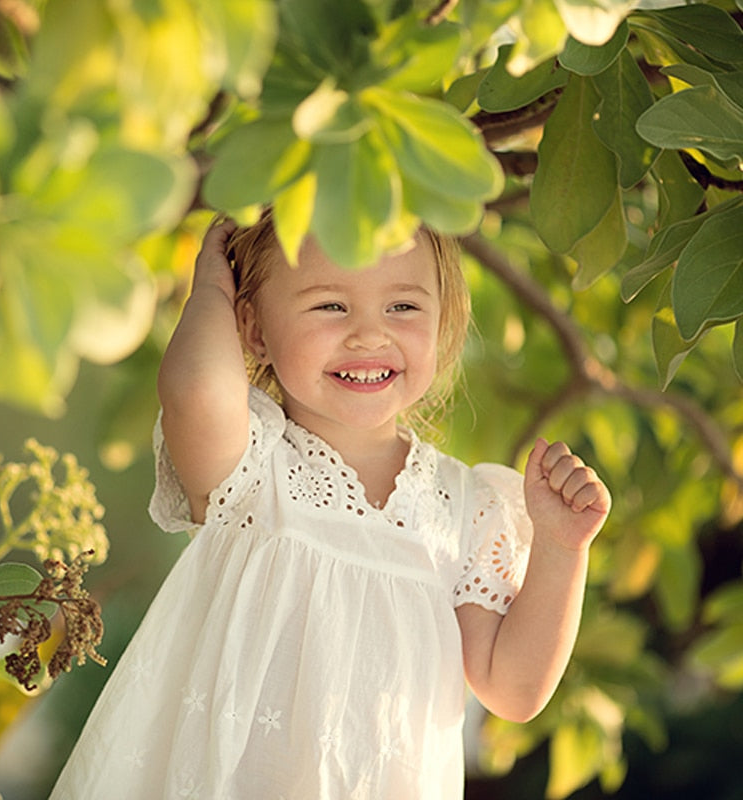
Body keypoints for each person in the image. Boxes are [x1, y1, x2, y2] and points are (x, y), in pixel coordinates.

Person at [50, 211, 610, 799]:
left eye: (403, 307)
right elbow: (196, 388)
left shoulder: (463, 510)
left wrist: (561, 548)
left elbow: (513, 689)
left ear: (443, 320)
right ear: (255, 329)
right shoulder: (252, 466)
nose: (369, 335)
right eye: (330, 306)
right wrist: (213, 289)